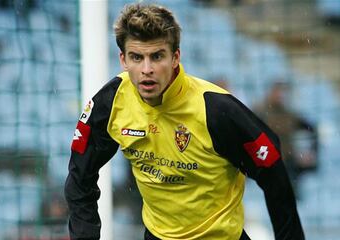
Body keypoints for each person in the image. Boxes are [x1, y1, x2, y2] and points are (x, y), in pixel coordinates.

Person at [64, 3, 305, 240]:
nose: (147, 69)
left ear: (175, 57)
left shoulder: (216, 109)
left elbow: (273, 172)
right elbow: (79, 178)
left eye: (157, 56)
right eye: (137, 57)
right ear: (123, 60)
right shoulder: (111, 102)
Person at [254, 81, 318, 198]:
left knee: (291, 194)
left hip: (288, 161)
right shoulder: (260, 112)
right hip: (267, 161)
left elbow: (311, 129)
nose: (280, 96)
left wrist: (311, 153)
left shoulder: (290, 115)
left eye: (283, 92)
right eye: (277, 92)